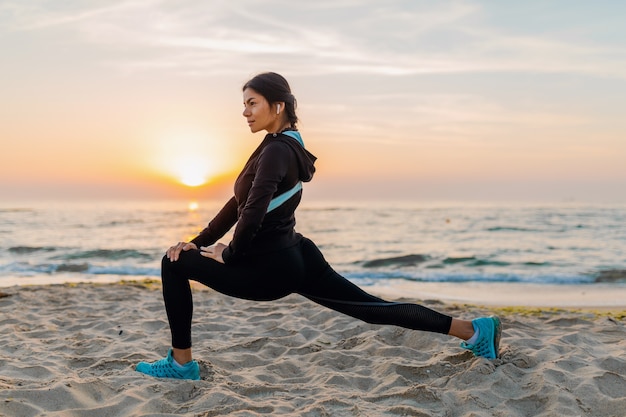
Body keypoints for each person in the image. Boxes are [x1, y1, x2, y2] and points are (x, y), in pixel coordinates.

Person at [136, 72, 501, 380]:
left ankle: (182, 364)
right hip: (297, 253)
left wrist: (227, 255)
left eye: (252, 103)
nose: (244, 112)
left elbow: (252, 214)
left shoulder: (276, 150)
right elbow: (238, 205)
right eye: (244, 103)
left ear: (277, 106)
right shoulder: (281, 145)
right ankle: (472, 330)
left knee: (172, 265)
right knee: (371, 309)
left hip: (270, 268)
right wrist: (197, 242)